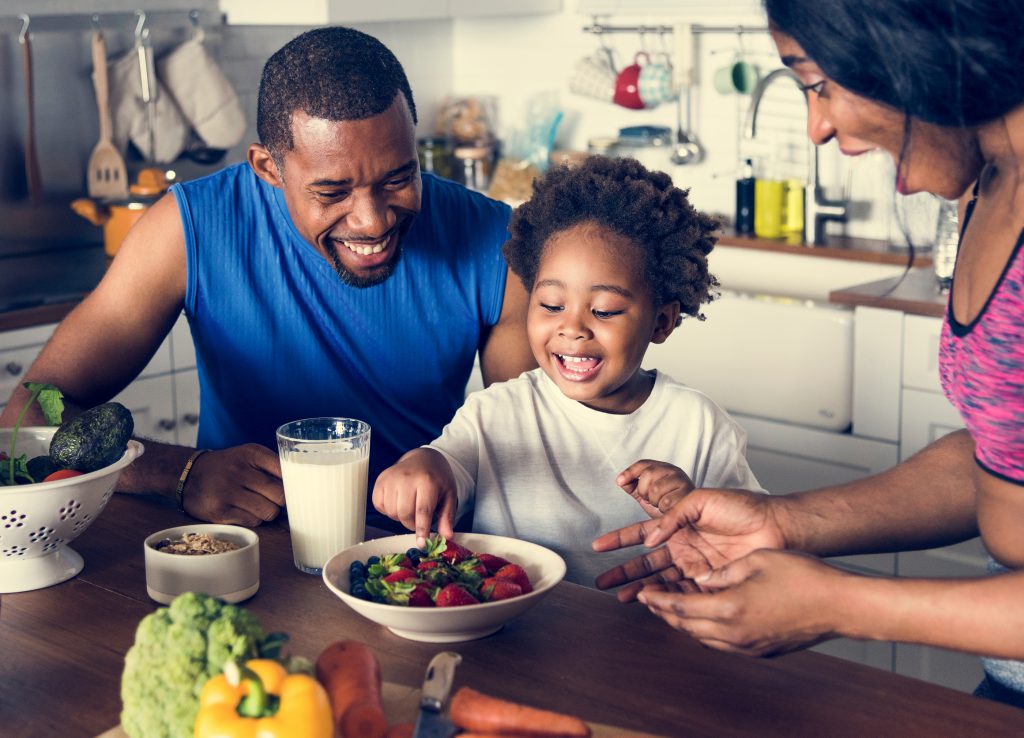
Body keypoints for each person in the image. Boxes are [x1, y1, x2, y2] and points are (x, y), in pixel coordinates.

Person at [591, 0, 1024, 707]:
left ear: (908, 43)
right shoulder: (991, 188)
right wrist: (783, 524)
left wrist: (845, 605)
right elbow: (1001, 456)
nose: (818, 126)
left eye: (817, 82)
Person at [0, 27, 534, 527]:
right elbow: (26, 415)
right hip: (253, 550)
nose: (372, 221)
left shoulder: (498, 242)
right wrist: (178, 473)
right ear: (267, 167)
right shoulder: (189, 229)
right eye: (332, 192)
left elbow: (530, 447)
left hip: (418, 558)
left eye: (399, 177)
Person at [372, 156, 764, 585]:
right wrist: (422, 465)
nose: (572, 328)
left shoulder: (701, 428)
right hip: (514, 636)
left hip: (650, 638)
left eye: (604, 310)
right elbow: (448, 463)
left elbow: (755, 552)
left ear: (661, 322)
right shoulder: (496, 412)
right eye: (551, 306)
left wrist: (693, 508)